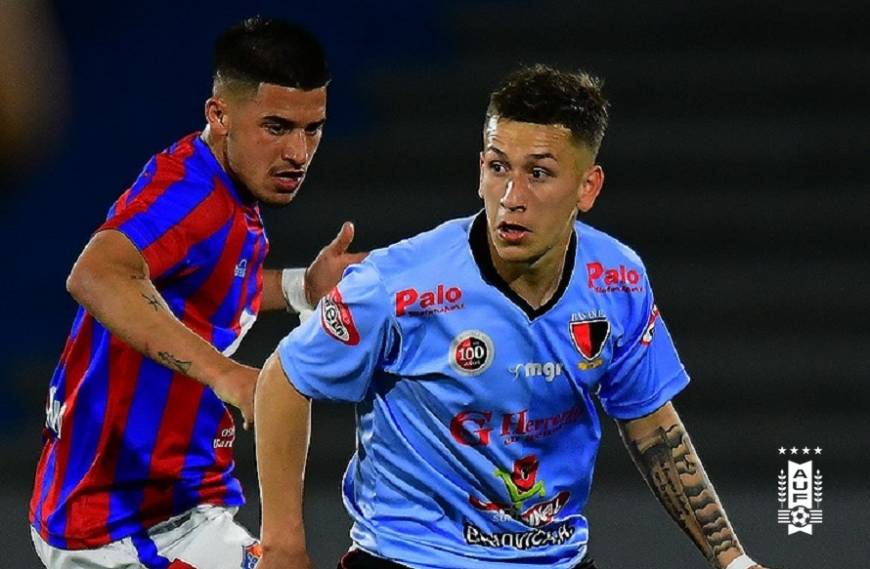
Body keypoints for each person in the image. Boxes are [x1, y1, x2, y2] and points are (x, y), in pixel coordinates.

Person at [254, 64, 775, 569]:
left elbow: (651, 424)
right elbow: (284, 377)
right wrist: (282, 545)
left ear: (588, 187)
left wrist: (733, 560)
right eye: (498, 167)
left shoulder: (617, 279)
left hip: (553, 558)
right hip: (411, 560)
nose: (511, 198)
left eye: (539, 173)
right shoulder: (399, 283)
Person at [28, 17, 365, 569]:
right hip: (126, 527)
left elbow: (210, 285)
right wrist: (227, 375)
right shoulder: (190, 193)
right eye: (277, 127)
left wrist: (301, 287)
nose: (298, 152)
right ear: (219, 114)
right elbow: (96, 274)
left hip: (178, 501)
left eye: (313, 129)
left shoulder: (227, 191)